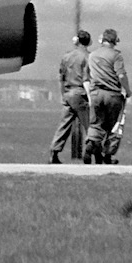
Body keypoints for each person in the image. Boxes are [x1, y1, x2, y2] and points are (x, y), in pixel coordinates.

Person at [84, 28, 131, 165]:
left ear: (102, 40)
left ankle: (91, 143)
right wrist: (127, 90)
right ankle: (108, 155)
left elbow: (87, 75)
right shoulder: (116, 55)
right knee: (114, 126)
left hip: (96, 93)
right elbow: (121, 75)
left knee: (96, 122)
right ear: (115, 41)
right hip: (112, 94)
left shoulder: (92, 55)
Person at [49, 30, 91, 164]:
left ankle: (54, 151)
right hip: (80, 94)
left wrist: (63, 94)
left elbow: (61, 76)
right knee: (90, 125)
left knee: (64, 125)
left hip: (67, 93)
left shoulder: (66, 56)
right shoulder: (88, 57)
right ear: (88, 42)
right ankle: (90, 152)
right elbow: (87, 78)